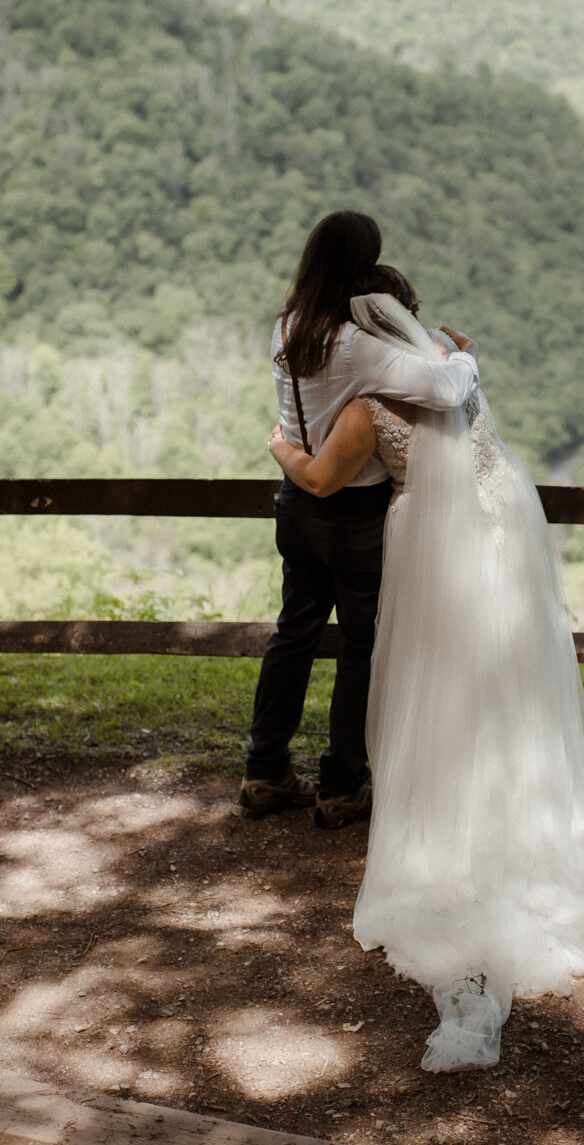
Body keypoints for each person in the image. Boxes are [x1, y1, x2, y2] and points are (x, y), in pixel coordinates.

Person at [267, 271, 584, 1072]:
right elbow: (456, 358)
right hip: (503, 516)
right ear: (410, 320)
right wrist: (448, 342)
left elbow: (323, 477)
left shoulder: (369, 407)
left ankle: (446, 812)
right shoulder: (449, 359)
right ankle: (521, 802)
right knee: (506, 670)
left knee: (434, 682)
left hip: (438, 542)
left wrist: (281, 446)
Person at [240, 212, 484, 830]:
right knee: (359, 648)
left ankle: (264, 771)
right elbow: (445, 390)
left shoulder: (288, 327)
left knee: (291, 635)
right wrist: (464, 355)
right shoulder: (355, 347)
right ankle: (341, 785)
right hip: (354, 515)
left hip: (297, 502)